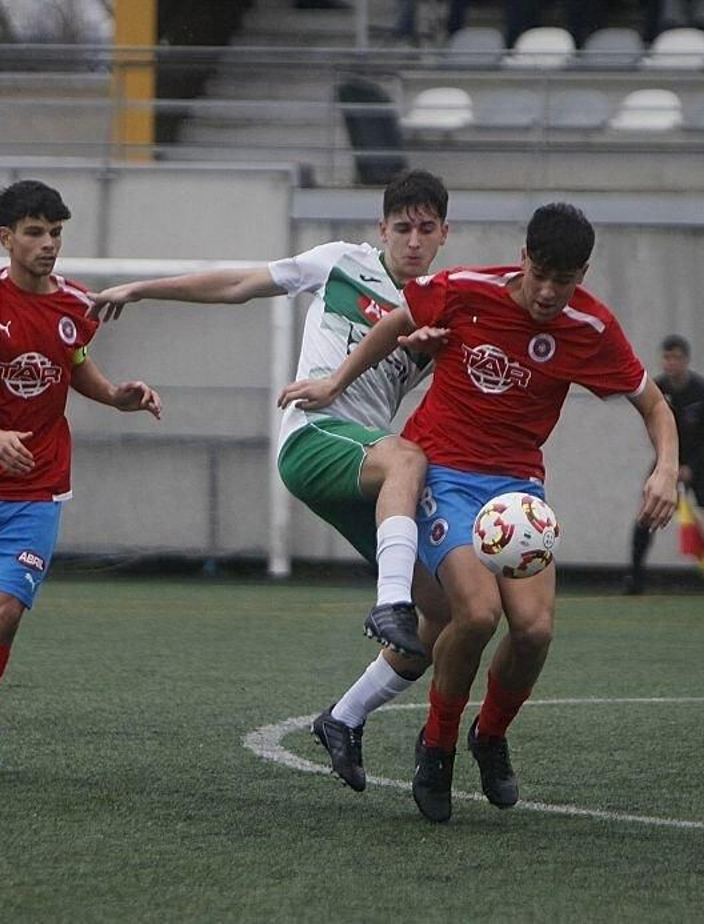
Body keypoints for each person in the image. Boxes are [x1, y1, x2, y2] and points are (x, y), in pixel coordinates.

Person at [280, 203, 679, 823]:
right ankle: (435, 746)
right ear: (523, 258)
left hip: (518, 490)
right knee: (476, 611)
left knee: (536, 629)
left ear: (583, 274)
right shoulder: (467, 290)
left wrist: (664, 470)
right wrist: (334, 384)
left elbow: (654, 404)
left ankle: (489, 736)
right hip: (441, 472)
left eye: (564, 280)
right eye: (540, 274)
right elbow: (394, 321)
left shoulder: (589, 328)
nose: (548, 293)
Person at [90, 170, 455, 792]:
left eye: (426, 229)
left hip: (364, 468)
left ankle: (343, 718)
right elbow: (237, 283)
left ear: (445, 233)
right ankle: (387, 602)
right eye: (402, 228)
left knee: (444, 612)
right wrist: (144, 288)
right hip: (315, 439)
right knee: (406, 460)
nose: (413, 241)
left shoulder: (445, 306)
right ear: (381, 229)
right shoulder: (340, 262)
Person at [0, 179, 163, 786]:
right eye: (34, 233)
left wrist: (116, 396)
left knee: (2, 614)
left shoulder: (76, 306)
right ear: (6, 238)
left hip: (35, 491)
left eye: (55, 233)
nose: (49, 244)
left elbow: (72, 363)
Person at [625, 334, 704, 596]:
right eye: (667, 357)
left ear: (686, 361)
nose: (671, 363)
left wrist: (691, 467)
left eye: (677, 358)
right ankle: (634, 579)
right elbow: (653, 426)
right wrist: (669, 462)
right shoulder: (657, 390)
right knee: (648, 511)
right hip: (669, 460)